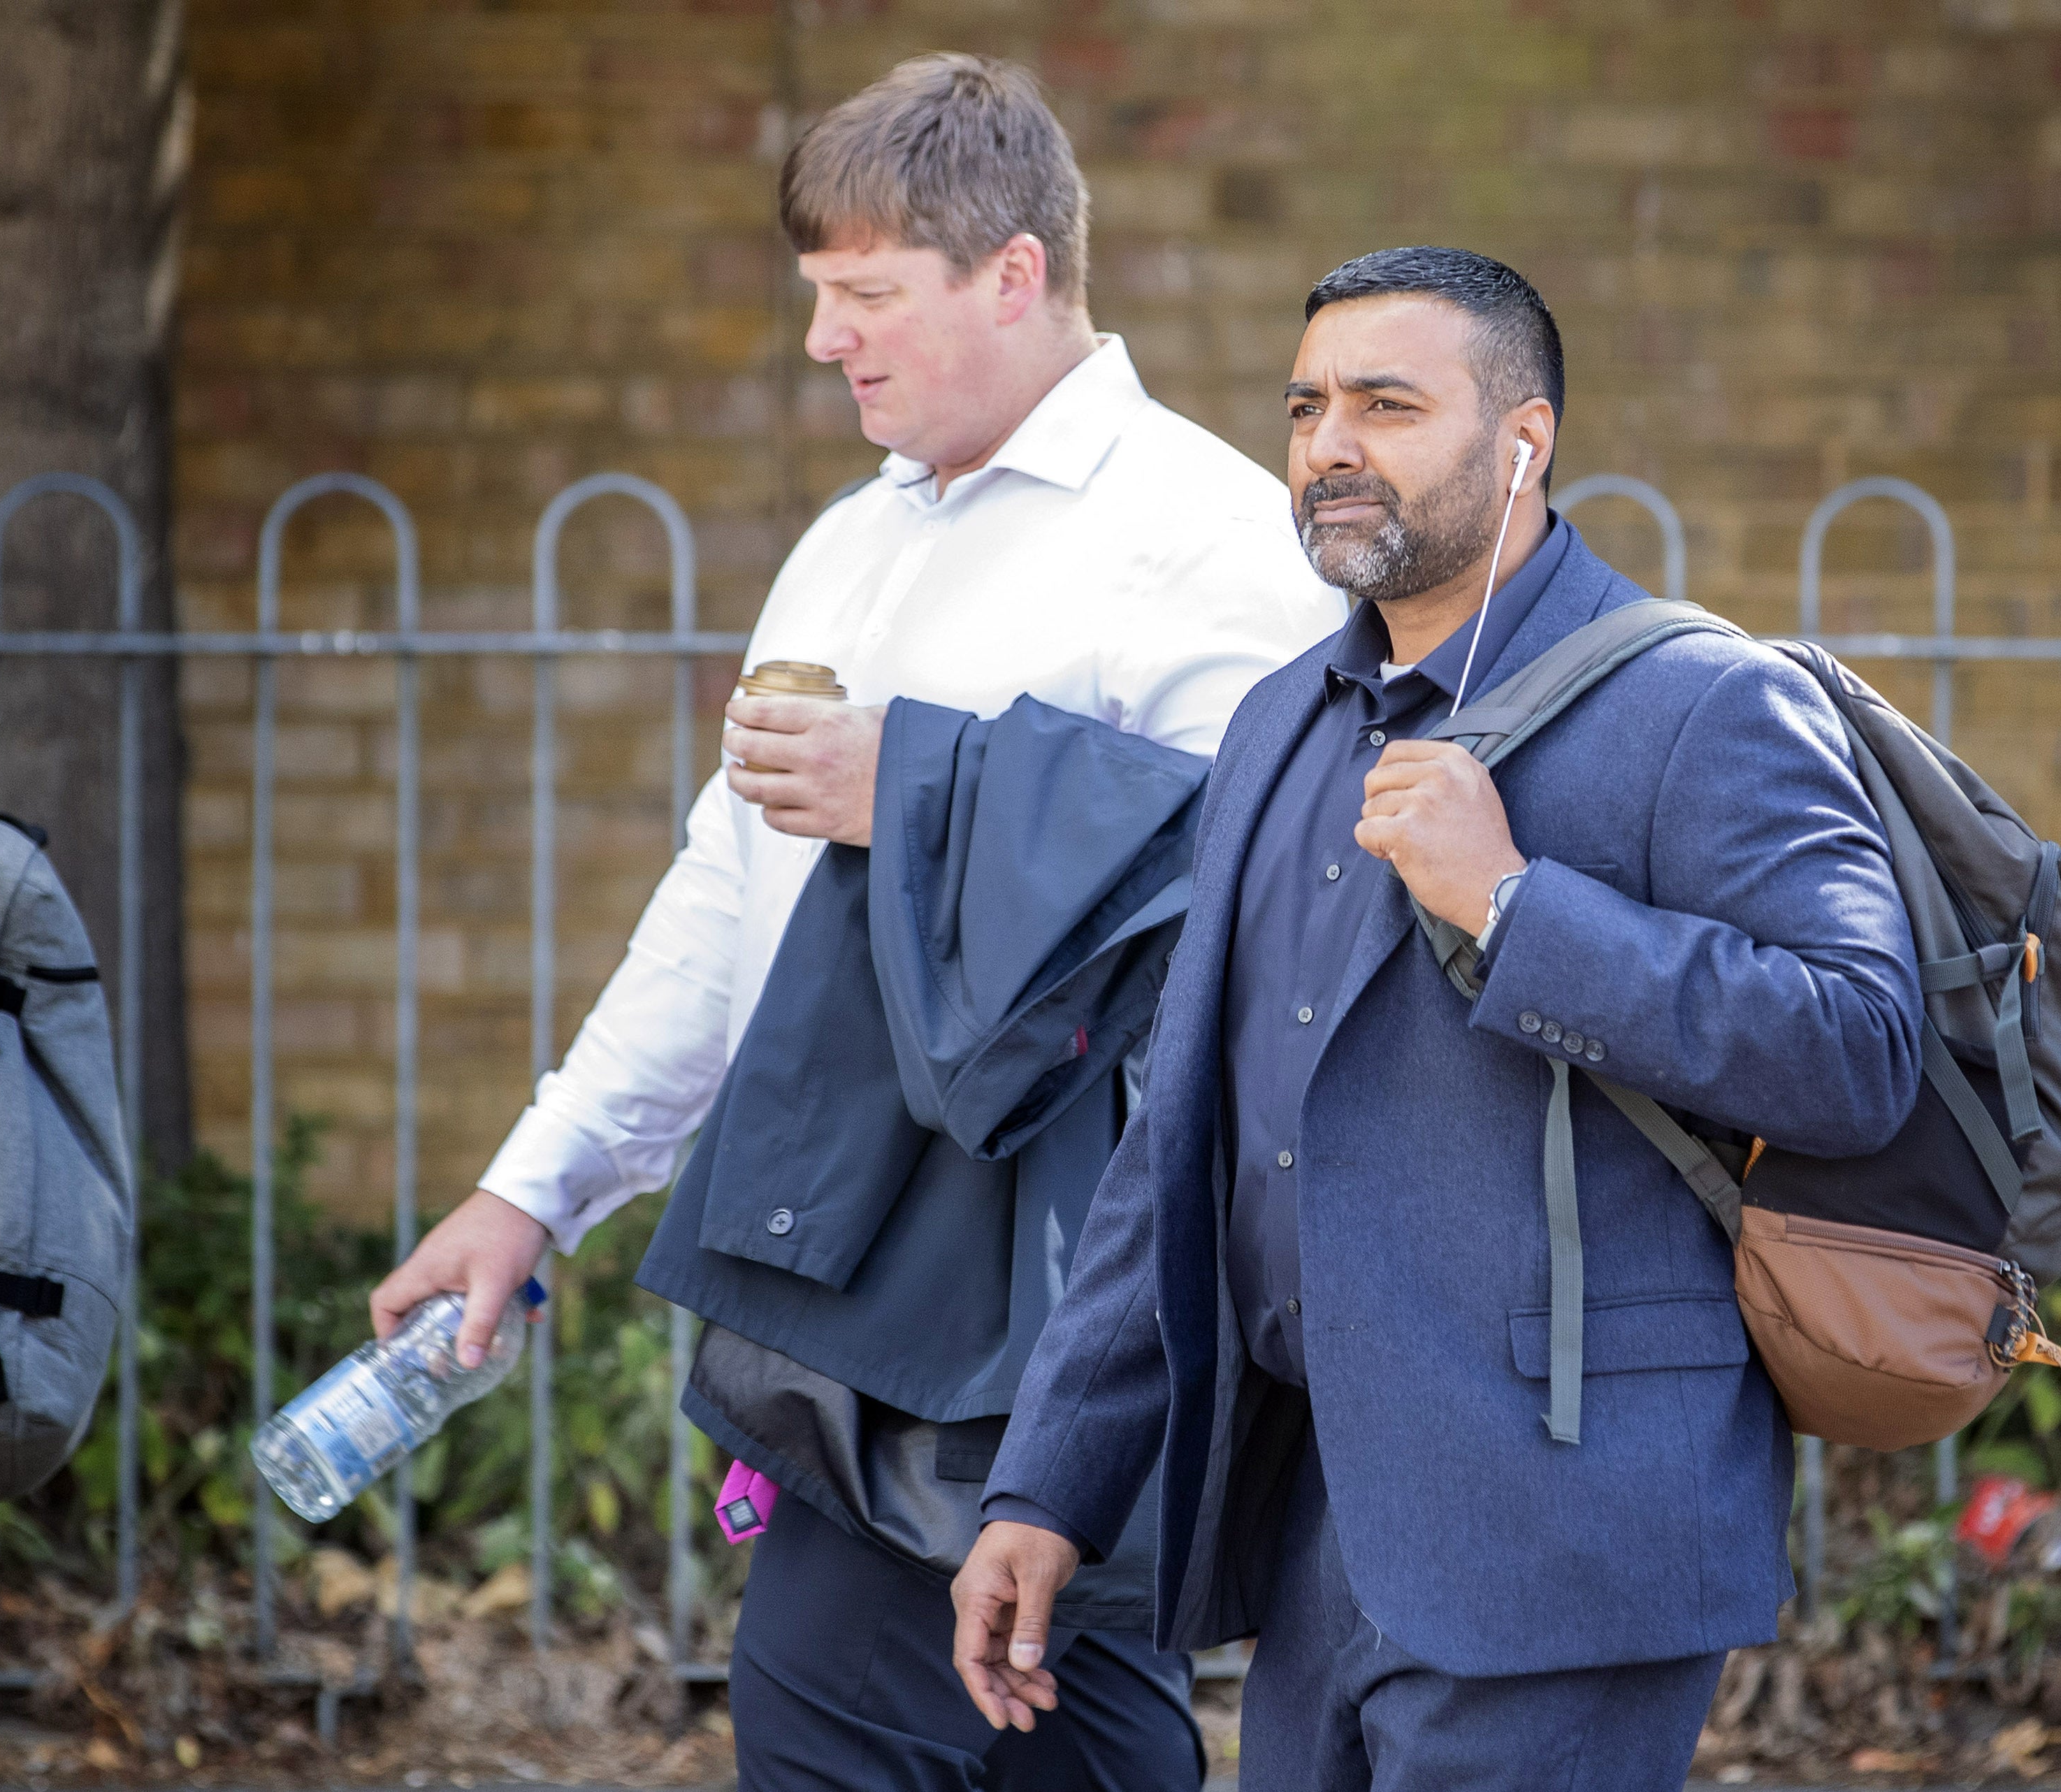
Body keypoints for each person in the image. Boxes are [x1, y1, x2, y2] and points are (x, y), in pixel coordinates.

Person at [368, 54, 1342, 1792]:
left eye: (868, 297)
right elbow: (722, 902)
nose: (828, 342)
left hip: (1050, 1301)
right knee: (935, 1717)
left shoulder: (1205, 540)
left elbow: (1285, 890)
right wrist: (537, 1187)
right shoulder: (844, 548)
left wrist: (928, 785)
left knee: (981, 1720)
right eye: (823, 297)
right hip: (848, 1282)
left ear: (1015, 275)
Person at [953, 247, 1925, 1791]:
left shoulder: (1699, 703)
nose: (1329, 443)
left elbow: (1857, 1050)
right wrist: (1047, 1485)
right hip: (1311, 1523)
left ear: (1521, 440)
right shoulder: (1280, 720)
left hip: (1563, 1534)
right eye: (1305, 406)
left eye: (1386, 405)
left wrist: (1518, 906)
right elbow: (1182, 1144)